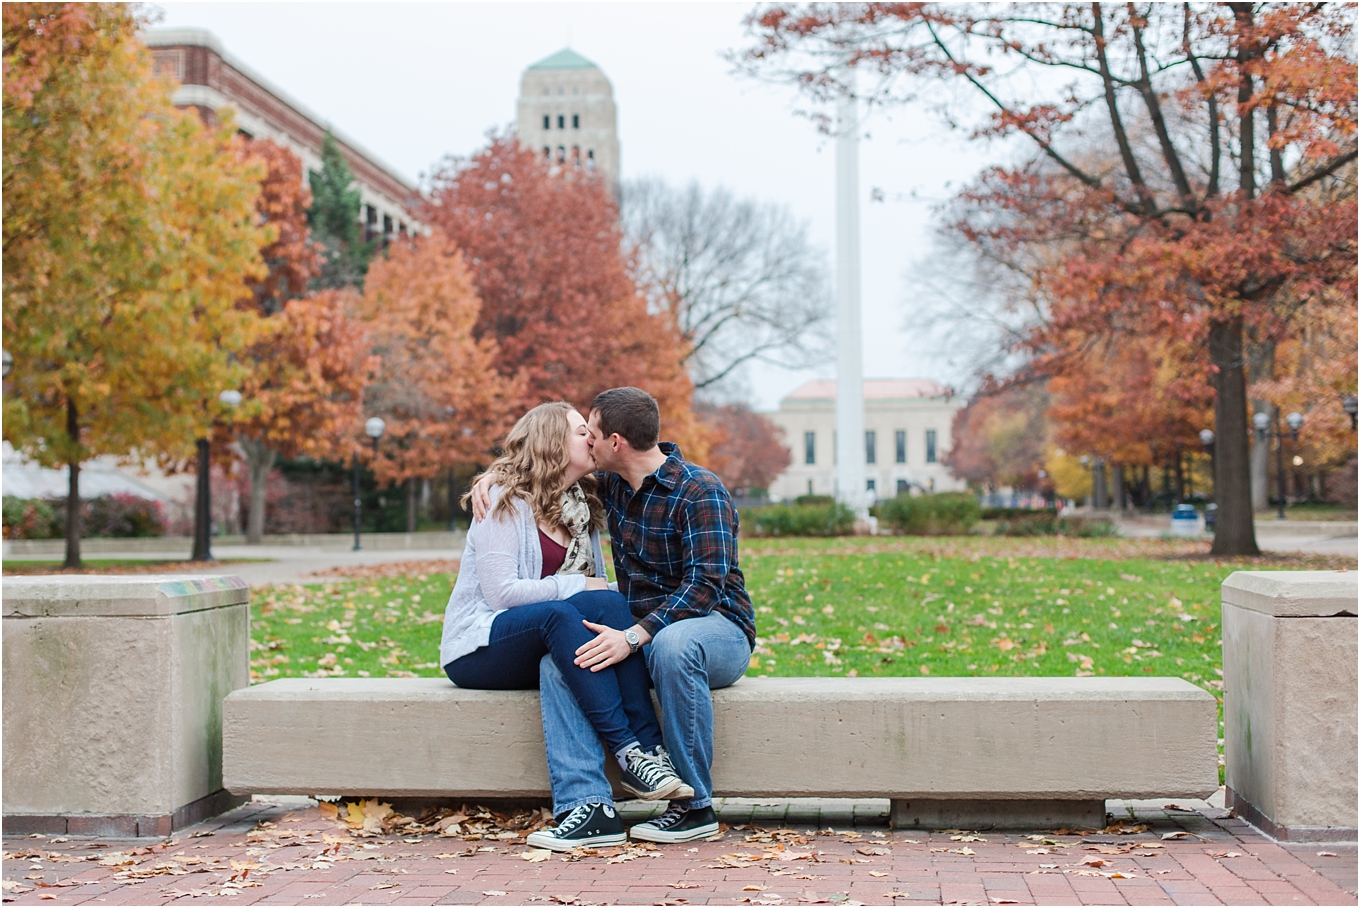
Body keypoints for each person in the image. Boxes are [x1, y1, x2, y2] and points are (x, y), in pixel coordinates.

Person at [473, 387, 755, 844]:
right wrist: (491, 480)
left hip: (715, 630)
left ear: (616, 442)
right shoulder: (610, 488)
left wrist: (635, 636)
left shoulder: (700, 491)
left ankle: (694, 806)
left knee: (673, 644)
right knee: (567, 656)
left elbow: (705, 587)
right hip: (634, 631)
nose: (587, 443)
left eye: (593, 434)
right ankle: (587, 808)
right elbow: (540, 470)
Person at [439, 401, 691, 852]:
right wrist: (577, 582)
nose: (591, 439)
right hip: (480, 647)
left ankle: (648, 758)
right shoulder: (504, 500)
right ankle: (628, 749)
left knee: (609, 601)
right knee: (570, 605)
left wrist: (591, 588)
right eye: (581, 432)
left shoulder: (580, 506)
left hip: (545, 636)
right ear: (552, 443)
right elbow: (502, 595)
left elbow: (591, 591)